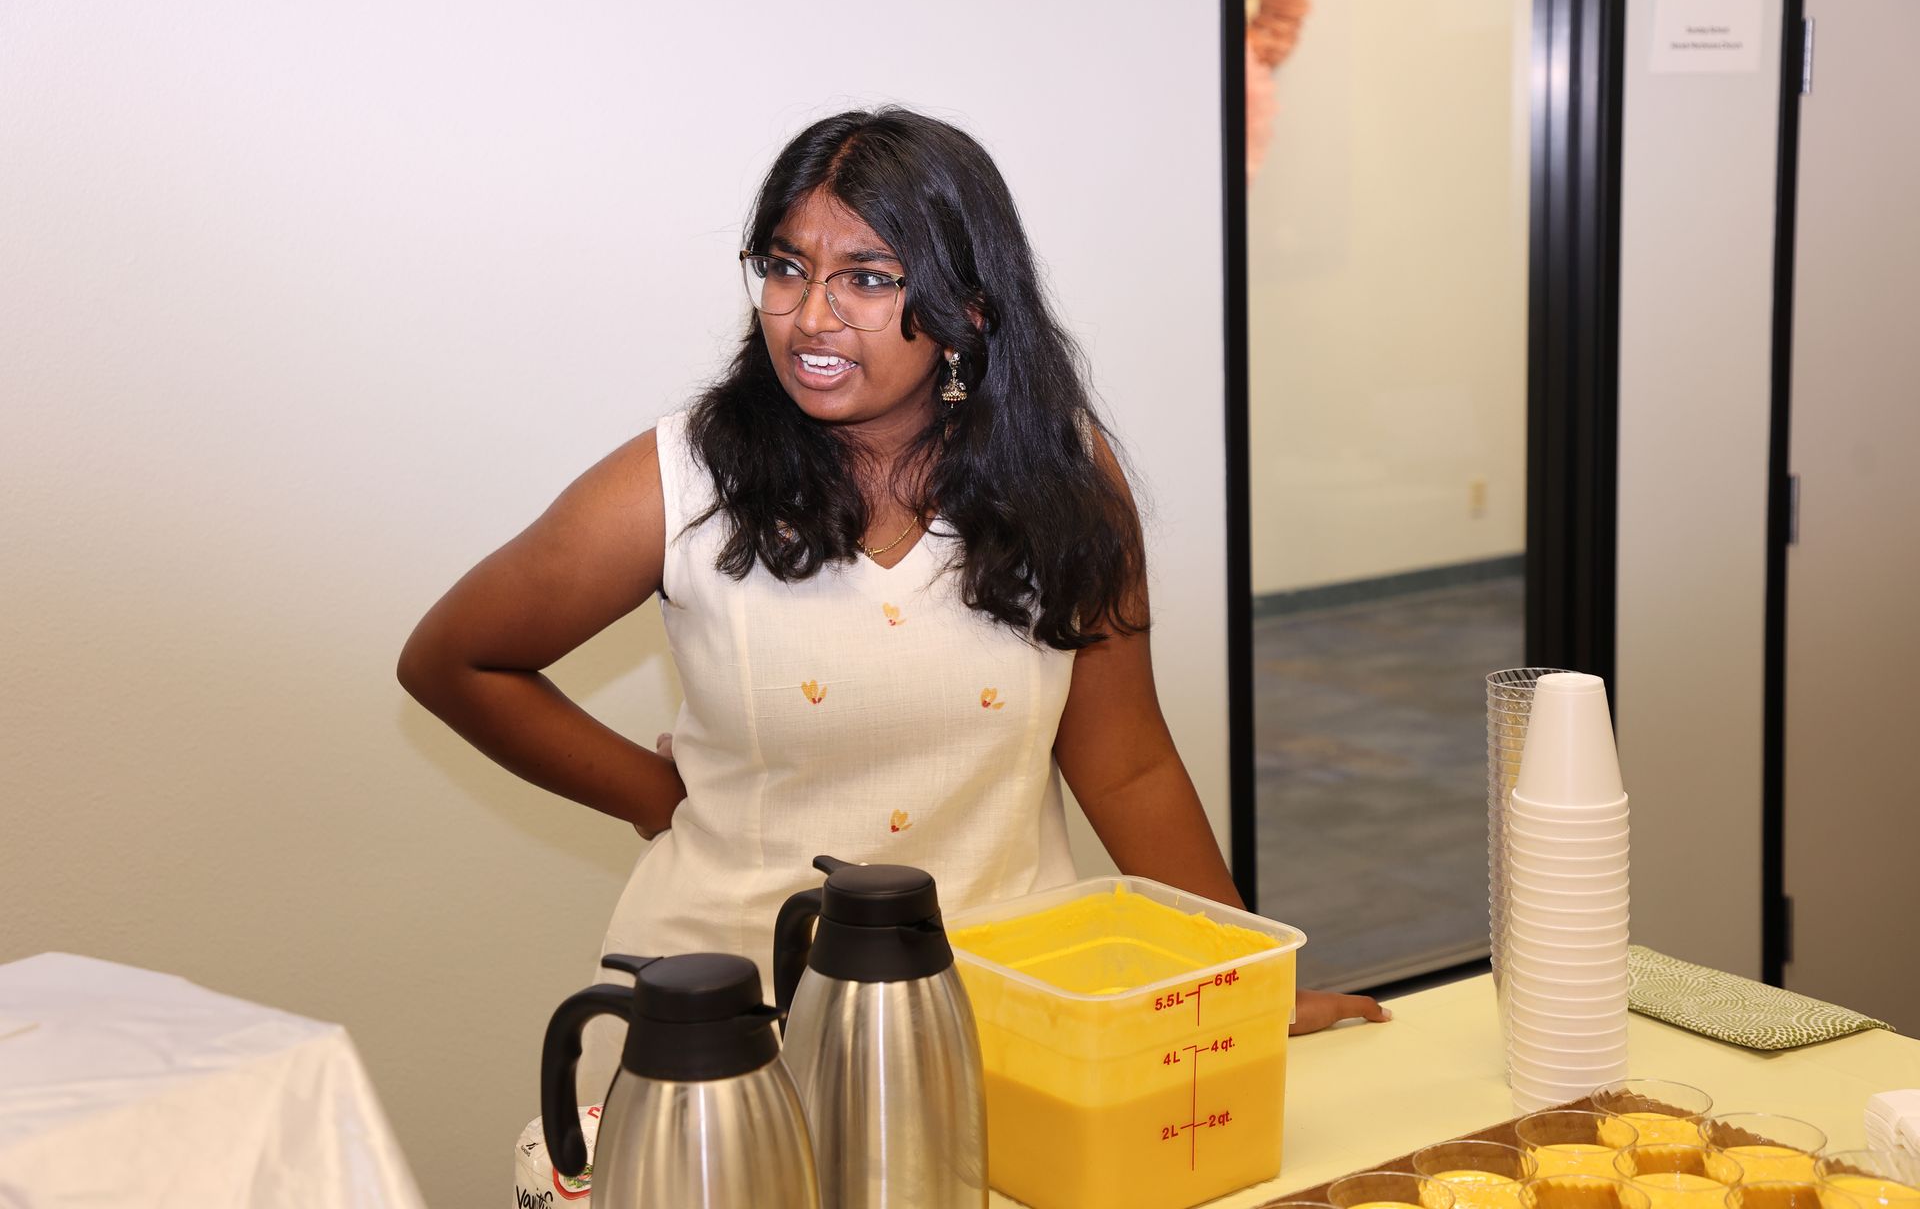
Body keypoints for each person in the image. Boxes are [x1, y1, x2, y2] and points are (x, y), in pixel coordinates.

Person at [397, 107, 1386, 1083]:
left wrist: (1245, 980)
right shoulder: (684, 479)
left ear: (970, 308)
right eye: (786, 267)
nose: (809, 316)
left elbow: (1129, 765)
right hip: (733, 1034)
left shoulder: (1062, 477)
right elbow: (456, 659)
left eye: (867, 278)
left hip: (1003, 1015)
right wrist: (654, 796)